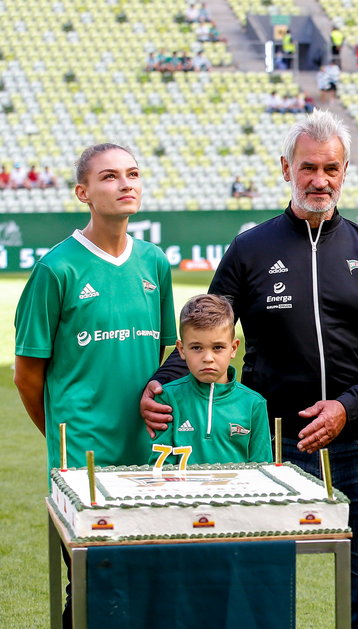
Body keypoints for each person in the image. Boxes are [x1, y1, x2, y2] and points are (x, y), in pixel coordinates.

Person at [140, 110, 358, 629]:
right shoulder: (251, 247)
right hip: (270, 443)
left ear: (345, 170)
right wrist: (163, 382)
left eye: (331, 168)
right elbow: (206, 329)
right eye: (308, 167)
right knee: (260, 582)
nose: (320, 180)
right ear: (286, 168)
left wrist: (346, 408)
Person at [14, 143, 176, 628]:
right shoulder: (55, 269)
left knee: (146, 585)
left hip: (148, 456)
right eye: (110, 177)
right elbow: (26, 375)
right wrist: (64, 435)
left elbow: (166, 358)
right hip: (82, 460)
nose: (125, 183)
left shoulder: (155, 263)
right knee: (96, 587)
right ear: (84, 192)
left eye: (133, 173)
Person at [149, 294, 270, 467]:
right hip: (184, 493)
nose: (208, 358)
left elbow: (262, 470)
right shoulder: (167, 398)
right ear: (181, 350)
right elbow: (160, 467)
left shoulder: (254, 404)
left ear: (234, 348)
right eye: (196, 347)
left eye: (218, 347)